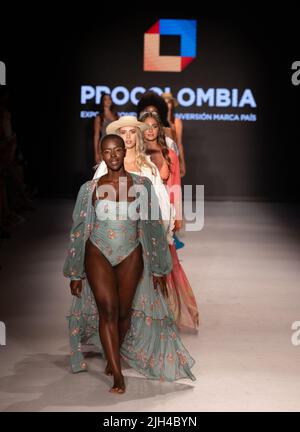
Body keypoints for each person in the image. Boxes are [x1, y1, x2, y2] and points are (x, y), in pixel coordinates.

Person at [63, 134, 196, 394]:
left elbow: (152, 227)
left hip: (131, 253)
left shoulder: (142, 184)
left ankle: (114, 355)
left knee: (123, 313)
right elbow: (78, 230)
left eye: (117, 151)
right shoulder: (89, 189)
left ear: (125, 152)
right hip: (97, 251)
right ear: (101, 154)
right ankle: (117, 373)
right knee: (108, 311)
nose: (112, 156)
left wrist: (158, 267)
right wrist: (75, 272)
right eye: (107, 151)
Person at [140, 111, 199, 331]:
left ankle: (168, 312)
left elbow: (174, 187)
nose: (150, 131)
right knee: (142, 264)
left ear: (159, 129)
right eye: (146, 126)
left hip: (163, 214)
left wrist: (177, 217)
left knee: (166, 264)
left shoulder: (168, 154)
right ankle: (145, 312)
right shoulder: (135, 154)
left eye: (154, 126)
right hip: (140, 215)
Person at [93, 116, 175, 243]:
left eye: (132, 132)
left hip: (142, 231)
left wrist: (160, 231)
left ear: (138, 135)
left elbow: (159, 200)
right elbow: (94, 197)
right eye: (123, 132)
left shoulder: (148, 167)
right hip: (111, 229)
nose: (128, 137)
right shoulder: (107, 165)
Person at [161, 92, 186, 178]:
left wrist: (182, 163)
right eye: (164, 102)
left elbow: (179, 143)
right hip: (160, 155)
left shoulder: (176, 121)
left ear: (172, 104)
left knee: (173, 185)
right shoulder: (156, 121)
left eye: (168, 102)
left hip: (173, 155)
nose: (167, 105)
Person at [93, 94, 118, 164]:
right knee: (104, 169)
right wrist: (96, 153)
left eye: (109, 99)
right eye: (105, 99)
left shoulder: (116, 116)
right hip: (104, 146)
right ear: (102, 102)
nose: (108, 101)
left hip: (115, 145)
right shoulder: (99, 117)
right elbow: (96, 135)